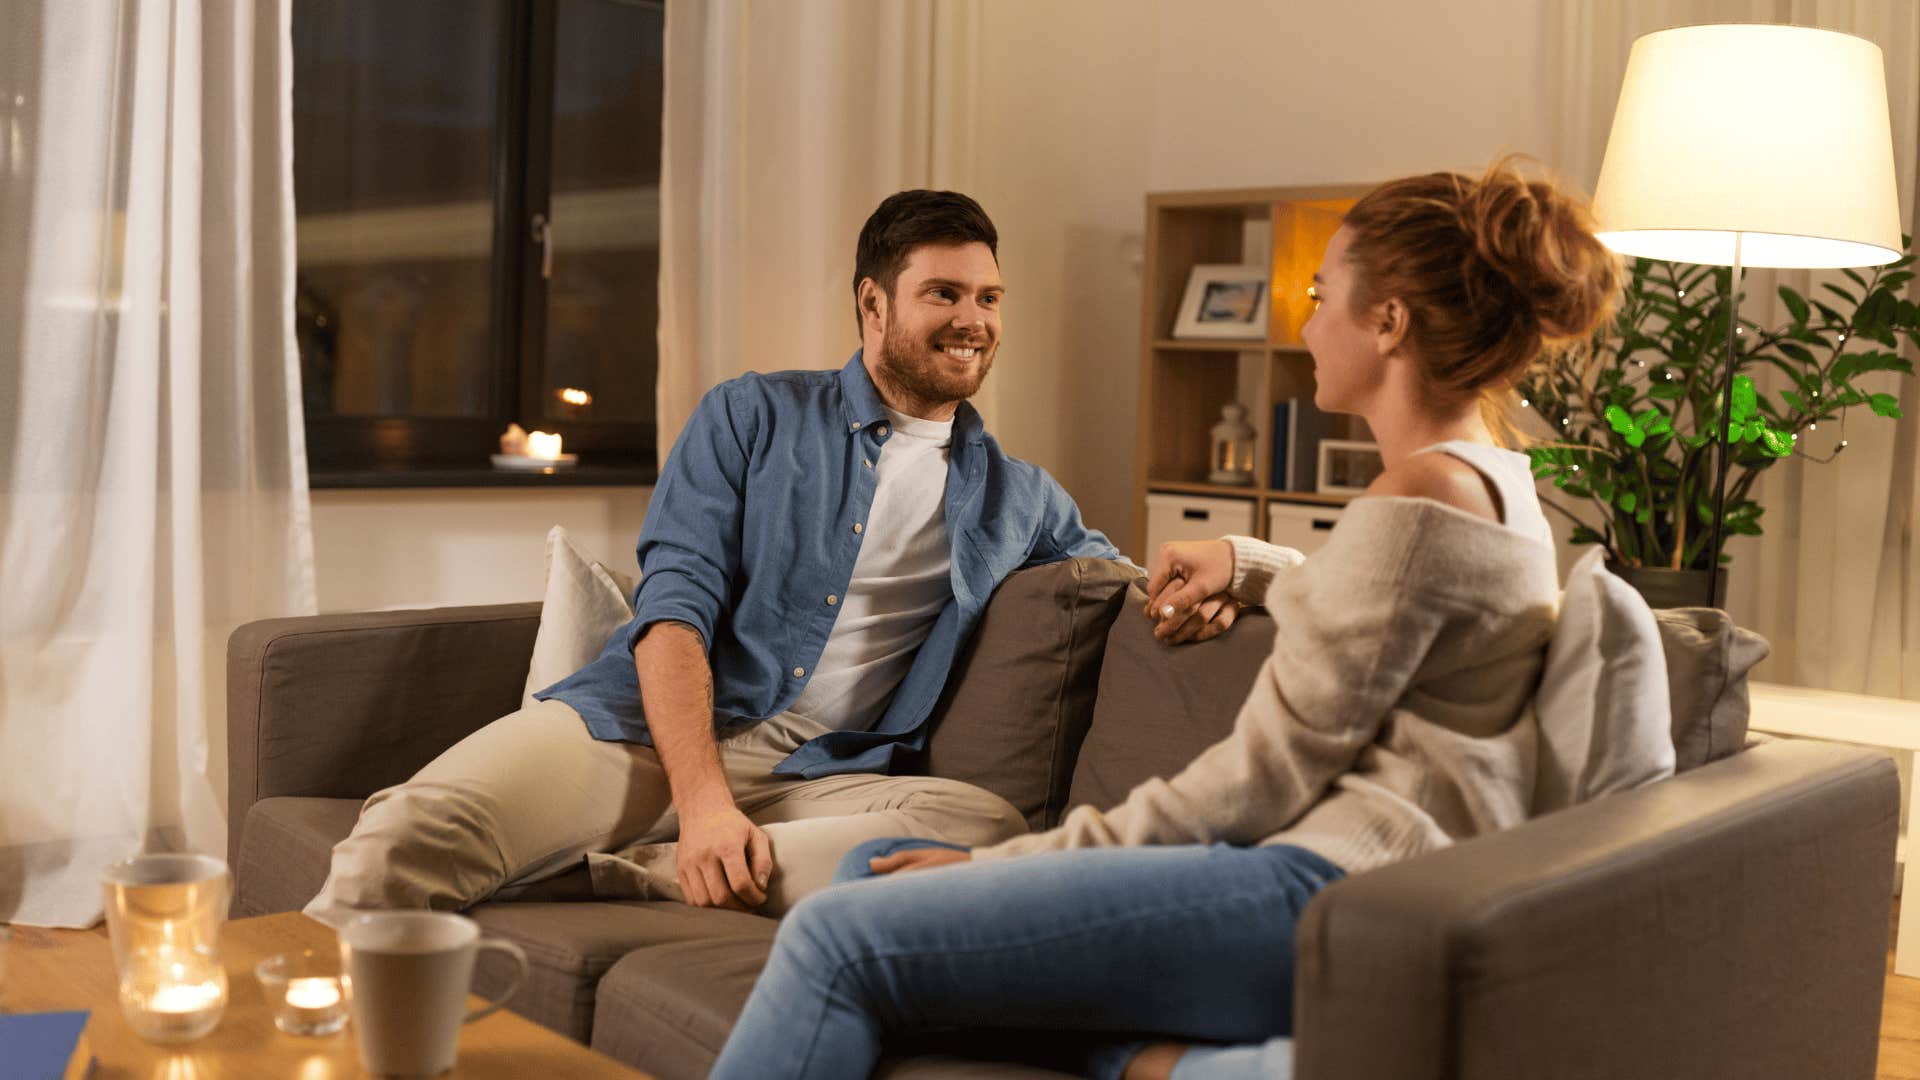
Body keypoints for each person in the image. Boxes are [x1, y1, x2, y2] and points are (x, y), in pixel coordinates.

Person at [708, 158, 1633, 1080]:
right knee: (879, 860)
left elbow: (1251, 782)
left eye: (1321, 295)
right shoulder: (1487, 484)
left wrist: (1016, 867)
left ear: (1387, 322)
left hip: (1324, 896)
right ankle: (1175, 1064)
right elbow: (1384, 604)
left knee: (841, 932)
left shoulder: (1416, 499)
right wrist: (1251, 561)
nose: (1306, 323)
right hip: (1334, 887)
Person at [303, 190, 1129, 922]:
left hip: (818, 777)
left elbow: (1128, 585)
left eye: (989, 297)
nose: (973, 321)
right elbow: (674, 609)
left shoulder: (1020, 497)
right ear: (873, 305)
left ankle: (631, 871)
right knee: (401, 837)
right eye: (943, 293)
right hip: (642, 736)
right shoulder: (751, 415)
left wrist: (1231, 562)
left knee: (985, 828)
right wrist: (701, 799)